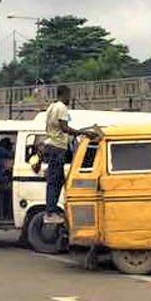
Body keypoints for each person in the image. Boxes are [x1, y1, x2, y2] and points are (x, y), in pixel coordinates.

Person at [43, 85, 96, 224]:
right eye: (69, 95)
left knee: (58, 180)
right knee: (54, 181)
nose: (70, 98)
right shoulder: (61, 108)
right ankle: (50, 212)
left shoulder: (52, 106)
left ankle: (53, 209)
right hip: (57, 146)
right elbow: (64, 128)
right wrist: (84, 133)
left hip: (52, 144)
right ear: (64, 94)